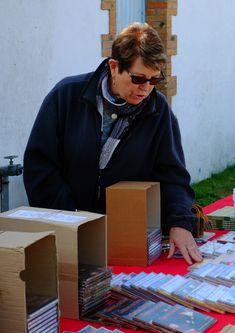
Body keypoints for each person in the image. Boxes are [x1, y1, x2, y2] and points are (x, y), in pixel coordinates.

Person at [23, 23, 202, 265]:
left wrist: (180, 222)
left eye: (154, 80)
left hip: (129, 238)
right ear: (114, 66)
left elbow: (173, 176)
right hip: (67, 232)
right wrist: (73, 220)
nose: (146, 89)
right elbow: (40, 167)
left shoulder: (158, 111)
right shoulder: (66, 96)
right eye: (138, 78)